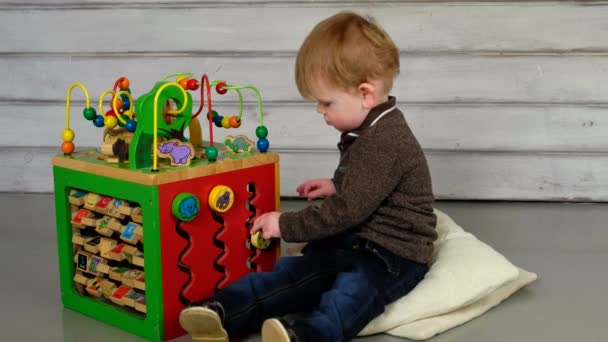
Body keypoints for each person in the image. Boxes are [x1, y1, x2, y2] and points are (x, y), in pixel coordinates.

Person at [179, 11, 437, 342]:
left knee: (351, 293)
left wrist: (285, 224)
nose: (320, 111)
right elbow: (367, 186)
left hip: (393, 255)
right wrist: (338, 185)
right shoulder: (369, 127)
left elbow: (346, 210)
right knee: (294, 274)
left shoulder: (385, 142)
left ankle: (308, 336)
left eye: (326, 102)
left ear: (366, 94)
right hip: (356, 238)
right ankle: (224, 312)